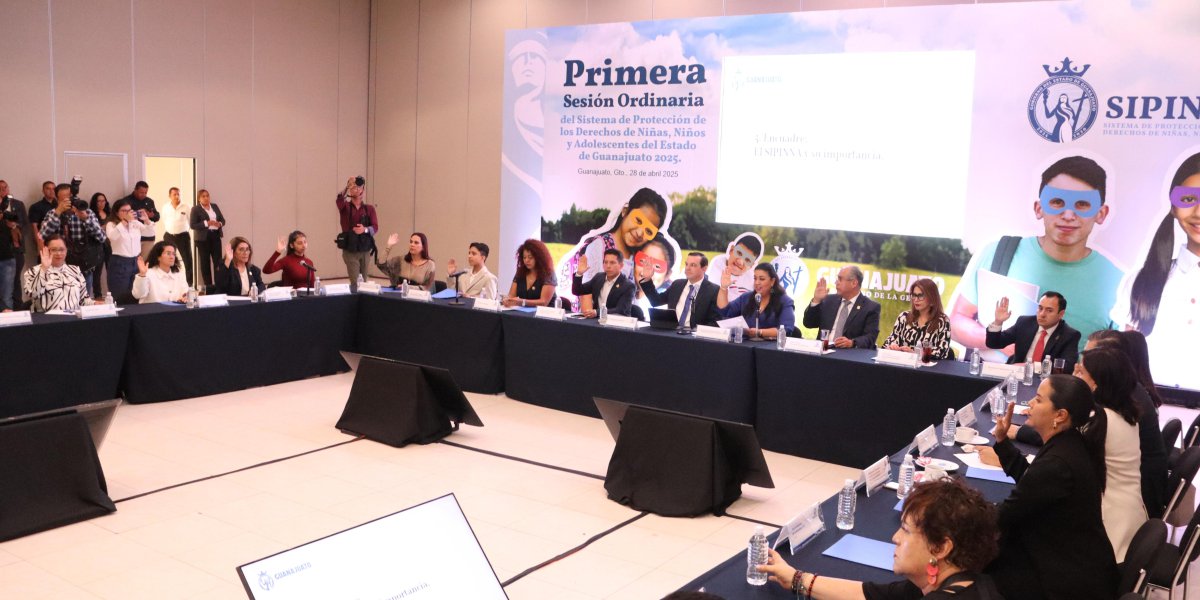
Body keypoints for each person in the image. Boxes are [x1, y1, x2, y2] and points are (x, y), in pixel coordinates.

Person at [951, 156, 1122, 355]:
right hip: (996, 375)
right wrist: (1004, 342)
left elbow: (1123, 353)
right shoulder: (999, 253)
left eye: (1082, 204)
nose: (1068, 215)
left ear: (1101, 213)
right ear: (1038, 208)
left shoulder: (1118, 282)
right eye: (1057, 202)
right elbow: (957, 320)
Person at [985, 375, 1118, 600]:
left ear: (1060, 415)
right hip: (1074, 563)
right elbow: (1031, 481)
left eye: (1038, 400)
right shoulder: (1069, 442)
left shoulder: (1059, 462)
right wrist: (1002, 441)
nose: (1030, 404)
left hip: (1066, 580)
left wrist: (962, 513)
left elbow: (1005, 514)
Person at [757, 478, 1002, 600]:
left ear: (940, 547)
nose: (895, 538)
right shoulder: (966, 582)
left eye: (906, 530)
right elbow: (869, 595)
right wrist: (796, 579)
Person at [1111, 151, 1200, 390]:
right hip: (1150, 405)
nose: (1198, 212)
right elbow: (1124, 357)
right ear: (1173, 206)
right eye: (1189, 199)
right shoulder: (1141, 280)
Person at [1072, 347, 1149, 562]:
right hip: (1131, 515)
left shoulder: (1100, 421)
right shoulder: (1125, 413)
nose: (1075, 376)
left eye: (1081, 372)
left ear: (1096, 383)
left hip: (1107, 532)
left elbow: (1065, 458)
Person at [559, 187, 669, 295]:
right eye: (638, 220)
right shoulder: (599, 247)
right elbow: (587, 298)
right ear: (625, 211)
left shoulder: (636, 260)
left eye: (649, 231)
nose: (640, 233)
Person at [985, 291, 1080, 371]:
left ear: (1061, 314)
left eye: (1049, 310)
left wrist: (1033, 367)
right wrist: (998, 322)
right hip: (1014, 372)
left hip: (1044, 381)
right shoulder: (1025, 322)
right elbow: (994, 343)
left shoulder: (1069, 335)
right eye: (1040, 308)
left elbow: (1067, 367)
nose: (1042, 314)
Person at [40, 184, 106, 295]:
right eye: (64, 199)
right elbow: (42, 235)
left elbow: (102, 237)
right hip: (60, 264)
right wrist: (58, 212)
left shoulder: (86, 212)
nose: (68, 201)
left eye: (70, 197)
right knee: (61, 297)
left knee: (84, 297)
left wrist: (85, 219)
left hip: (83, 263)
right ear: (57, 199)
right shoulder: (52, 213)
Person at [802, 265, 881, 348]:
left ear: (854, 283)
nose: (836, 282)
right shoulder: (829, 300)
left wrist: (852, 343)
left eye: (840, 279)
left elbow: (870, 337)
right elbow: (809, 323)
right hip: (824, 349)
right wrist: (816, 300)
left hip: (848, 353)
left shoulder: (870, 307)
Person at [639, 251, 720, 328]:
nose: (687, 268)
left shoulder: (713, 290)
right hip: (671, 332)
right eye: (686, 264)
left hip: (693, 335)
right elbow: (656, 301)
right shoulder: (677, 284)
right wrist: (647, 279)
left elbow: (715, 321)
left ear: (704, 269)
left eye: (693, 265)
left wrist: (697, 331)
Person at [717, 263, 795, 339]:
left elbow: (787, 329)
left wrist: (760, 332)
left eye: (762, 279)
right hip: (745, 344)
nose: (757, 282)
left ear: (772, 281)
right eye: (755, 278)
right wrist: (723, 287)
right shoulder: (746, 297)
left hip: (770, 346)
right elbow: (725, 311)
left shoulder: (785, 301)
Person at [882, 278, 953, 360]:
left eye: (920, 296)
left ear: (932, 298)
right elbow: (888, 342)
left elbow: (942, 352)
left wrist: (915, 354)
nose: (916, 300)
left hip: (928, 367)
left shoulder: (942, 321)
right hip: (903, 364)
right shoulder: (904, 317)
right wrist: (892, 346)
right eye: (914, 295)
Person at [22, 235, 90, 313]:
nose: (58, 253)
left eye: (62, 249)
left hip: (73, 318)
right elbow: (33, 293)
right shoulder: (33, 271)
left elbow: (84, 300)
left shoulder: (75, 270)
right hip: (46, 318)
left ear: (66, 250)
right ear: (46, 250)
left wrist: (96, 304)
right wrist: (44, 269)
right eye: (53, 250)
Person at [105, 198, 154, 304]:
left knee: (136, 292)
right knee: (119, 293)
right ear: (116, 212)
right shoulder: (111, 224)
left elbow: (150, 233)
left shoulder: (135, 223)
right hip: (119, 261)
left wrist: (146, 220)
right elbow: (112, 237)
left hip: (135, 261)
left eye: (129, 210)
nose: (127, 213)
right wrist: (125, 221)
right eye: (124, 211)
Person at [336, 176, 377, 292]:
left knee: (364, 282)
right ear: (350, 190)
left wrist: (365, 229)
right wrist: (347, 187)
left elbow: (375, 227)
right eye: (354, 187)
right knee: (355, 282)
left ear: (363, 189)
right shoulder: (345, 207)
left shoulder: (369, 209)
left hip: (365, 249)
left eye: (359, 187)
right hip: (350, 250)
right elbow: (339, 201)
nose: (357, 189)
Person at [571, 249, 634, 318]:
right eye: (605, 262)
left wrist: (597, 312)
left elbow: (621, 310)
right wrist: (579, 273)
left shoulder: (628, 286)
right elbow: (577, 291)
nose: (608, 266)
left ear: (621, 265)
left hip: (616, 322)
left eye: (612, 263)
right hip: (597, 320)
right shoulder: (599, 277)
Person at [705, 232, 764, 303]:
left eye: (747, 260)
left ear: (751, 265)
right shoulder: (718, 264)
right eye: (739, 253)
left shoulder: (752, 277)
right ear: (731, 250)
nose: (740, 261)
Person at [1, 180, 31, 310]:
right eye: (0, 188)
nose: (3, 190)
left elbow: (25, 226)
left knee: (14, 283)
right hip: (2, 248)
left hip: (15, 250)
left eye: (5, 187)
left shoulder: (17, 204)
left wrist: (14, 226)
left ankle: (17, 311)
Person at [504, 238, 556, 308]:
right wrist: (507, 300)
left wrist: (522, 302)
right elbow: (511, 295)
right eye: (524, 257)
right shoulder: (520, 272)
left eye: (530, 257)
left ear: (539, 258)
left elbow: (544, 302)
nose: (526, 260)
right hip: (521, 312)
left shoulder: (548, 274)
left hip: (544, 313)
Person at [189, 189, 225, 291]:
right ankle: (209, 287)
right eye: (203, 196)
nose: (206, 198)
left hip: (215, 236)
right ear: (199, 198)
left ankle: (219, 285)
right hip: (202, 239)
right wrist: (206, 223)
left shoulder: (214, 206)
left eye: (207, 196)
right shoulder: (195, 209)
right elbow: (192, 225)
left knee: (218, 262)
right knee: (205, 263)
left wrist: (219, 224)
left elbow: (223, 220)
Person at [118, 181, 159, 258]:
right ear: (135, 190)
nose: (144, 194)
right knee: (133, 260)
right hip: (132, 236)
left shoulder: (149, 201)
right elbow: (121, 217)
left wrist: (151, 215)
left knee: (145, 260)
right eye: (141, 192)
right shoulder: (126, 201)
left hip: (148, 237)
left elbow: (157, 217)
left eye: (145, 192)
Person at [162, 186, 193, 287]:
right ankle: (170, 282)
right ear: (169, 196)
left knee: (187, 260)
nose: (176, 196)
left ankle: (189, 284)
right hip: (169, 236)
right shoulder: (166, 207)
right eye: (174, 194)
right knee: (169, 260)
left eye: (178, 194)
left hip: (183, 236)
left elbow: (191, 222)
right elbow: (164, 220)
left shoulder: (186, 207)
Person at [88, 192, 112, 299]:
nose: (102, 203)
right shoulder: (91, 214)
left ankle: (111, 293)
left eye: (103, 201)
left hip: (109, 244)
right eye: (99, 201)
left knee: (110, 269)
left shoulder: (109, 213)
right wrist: (105, 226)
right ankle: (97, 295)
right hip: (97, 245)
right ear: (95, 202)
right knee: (97, 272)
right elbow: (93, 230)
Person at [27, 180, 56, 249]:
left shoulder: (60, 205)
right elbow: (34, 227)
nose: (51, 191)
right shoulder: (36, 206)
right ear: (43, 191)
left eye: (53, 189)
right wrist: (39, 244)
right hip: (45, 241)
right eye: (48, 188)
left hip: (60, 240)